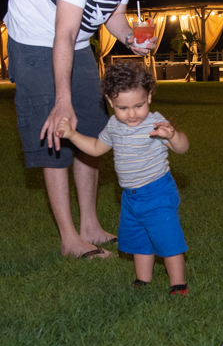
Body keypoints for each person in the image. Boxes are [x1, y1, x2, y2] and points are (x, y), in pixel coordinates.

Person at [3, 0, 163, 259]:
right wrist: (63, 100)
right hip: (34, 37)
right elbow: (64, 32)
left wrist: (130, 40)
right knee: (58, 127)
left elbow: (113, 15)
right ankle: (70, 238)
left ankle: (90, 225)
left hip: (75, 41)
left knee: (91, 126)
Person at [57, 62, 190, 293]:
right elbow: (97, 147)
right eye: (123, 108)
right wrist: (72, 135)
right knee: (139, 240)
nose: (131, 115)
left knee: (168, 240)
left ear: (149, 96)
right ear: (110, 102)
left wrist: (173, 135)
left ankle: (178, 284)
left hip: (158, 193)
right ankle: (142, 280)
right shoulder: (113, 125)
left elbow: (182, 148)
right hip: (130, 197)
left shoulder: (155, 123)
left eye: (138, 106)